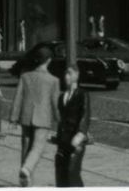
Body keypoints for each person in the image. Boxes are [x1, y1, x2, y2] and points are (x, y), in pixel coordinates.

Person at [10, 43, 58, 187]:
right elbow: (55, 104)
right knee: (37, 148)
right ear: (49, 60)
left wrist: (13, 117)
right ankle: (27, 171)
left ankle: (25, 182)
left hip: (26, 116)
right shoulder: (53, 80)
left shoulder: (25, 76)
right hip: (42, 118)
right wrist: (60, 120)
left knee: (25, 147)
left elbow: (18, 97)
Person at [52, 59, 92, 189]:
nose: (66, 77)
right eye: (65, 74)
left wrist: (81, 133)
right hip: (63, 141)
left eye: (69, 73)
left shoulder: (82, 94)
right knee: (60, 175)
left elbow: (85, 115)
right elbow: (61, 119)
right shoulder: (61, 97)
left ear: (76, 75)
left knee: (72, 173)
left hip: (75, 141)